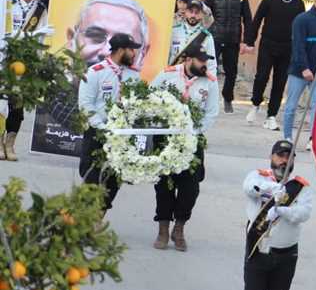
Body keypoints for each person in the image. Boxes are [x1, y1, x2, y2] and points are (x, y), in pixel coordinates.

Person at [235, 139, 313, 290]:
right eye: (279, 155)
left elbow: (304, 213)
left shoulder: (301, 186)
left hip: (286, 254)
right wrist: (271, 190)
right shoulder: (258, 176)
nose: (283, 160)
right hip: (258, 250)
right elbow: (249, 188)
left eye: (288, 156)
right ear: (271, 157)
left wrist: (282, 210)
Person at [149, 46, 220, 251]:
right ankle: (163, 228)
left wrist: (193, 132)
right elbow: (151, 100)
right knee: (164, 184)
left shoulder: (210, 82)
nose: (204, 65)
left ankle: (179, 228)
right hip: (166, 137)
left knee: (190, 187)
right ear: (188, 59)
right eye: (200, 61)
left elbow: (211, 113)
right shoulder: (167, 75)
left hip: (192, 139)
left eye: (206, 61)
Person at [77, 33, 141, 211]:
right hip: (97, 133)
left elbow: (137, 105)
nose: (134, 53)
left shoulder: (133, 75)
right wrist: (104, 128)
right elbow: (86, 105)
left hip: (121, 136)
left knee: (113, 181)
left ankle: (96, 224)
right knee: (91, 178)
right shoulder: (96, 72)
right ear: (121, 50)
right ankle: (81, 221)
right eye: (131, 50)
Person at [245, 0, 305, 132]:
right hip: (268, 44)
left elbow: (301, 29)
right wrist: (249, 41)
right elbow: (256, 20)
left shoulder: (299, 4)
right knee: (262, 76)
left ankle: (271, 116)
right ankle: (255, 104)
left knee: (279, 82)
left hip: (287, 48)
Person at [1, 0, 46, 162]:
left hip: (24, 64)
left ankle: (10, 144)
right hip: (4, 59)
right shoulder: (8, 3)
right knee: (1, 103)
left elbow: (42, 35)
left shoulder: (40, 10)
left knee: (17, 106)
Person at [282, 0, 316, 140]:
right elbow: (298, 46)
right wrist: (304, 68)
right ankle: (287, 138)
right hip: (299, 72)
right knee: (291, 106)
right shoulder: (301, 19)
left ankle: (313, 139)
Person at [204, 0, 252, 114]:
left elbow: (247, 18)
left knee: (231, 71)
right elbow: (205, 15)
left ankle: (227, 98)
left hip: (233, 38)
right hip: (215, 38)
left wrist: (247, 40)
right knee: (209, 69)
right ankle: (205, 98)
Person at [170, 0, 216, 75]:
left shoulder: (207, 37)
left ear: (202, 15)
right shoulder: (174, 31)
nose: (193, 15)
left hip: (194, 79)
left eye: (197, 13)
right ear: (185, 12)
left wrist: (210, 84)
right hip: (173, 77)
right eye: (191, 12)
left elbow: (212, 65)